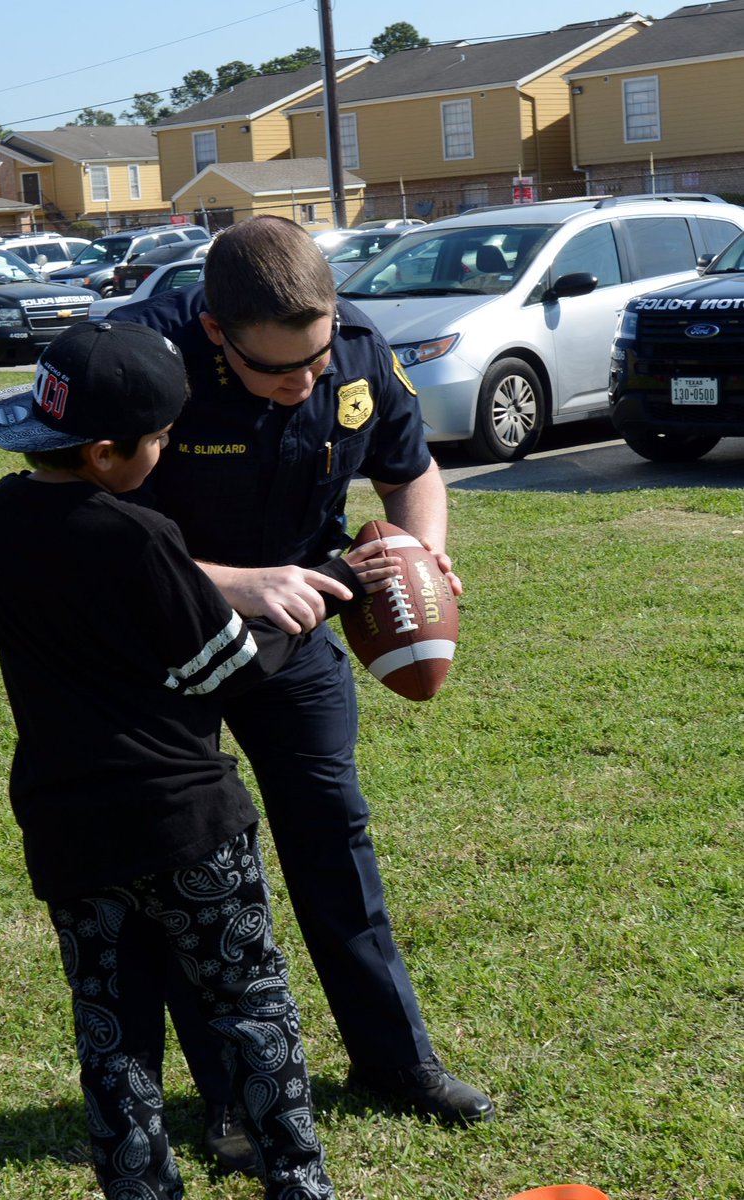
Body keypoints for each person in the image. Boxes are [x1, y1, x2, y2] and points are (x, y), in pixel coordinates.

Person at [0, 320, 399, 1200]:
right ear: (102, 452)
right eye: (159, 439)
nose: (165, 454)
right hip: (183, 827)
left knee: (113, 1032)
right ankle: (298, 1185)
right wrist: (333, 585)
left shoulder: (3, 516)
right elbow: (227, 672)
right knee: (251, 1009)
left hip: (66, 829)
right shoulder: (138, 536)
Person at [118, 216, 495, 1169]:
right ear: (215, 333)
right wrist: (228, 582)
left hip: (297, 635)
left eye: (317, 358)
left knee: (334, 837)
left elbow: (413, 470)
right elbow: (93, 531)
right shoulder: (142, 360)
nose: (307, 382)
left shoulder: (355, 350)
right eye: (278, 371)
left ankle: (395, 1061)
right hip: (164, 641)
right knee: (189, 876)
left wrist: (420, 542)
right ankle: (234, 1099)